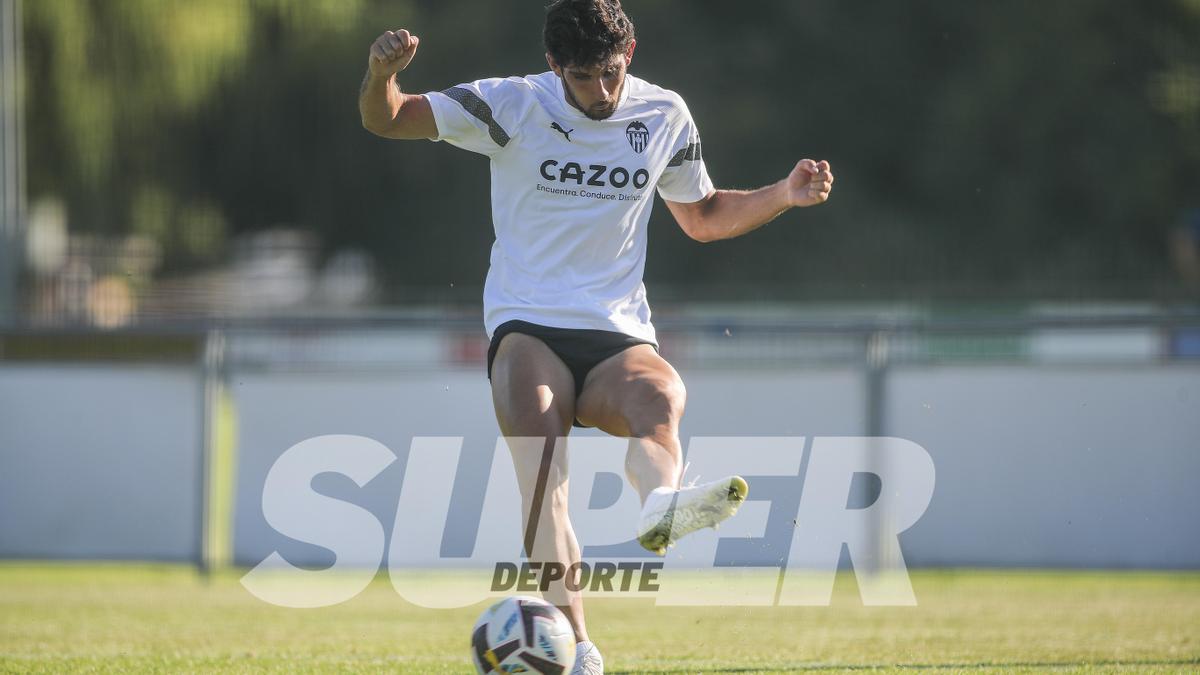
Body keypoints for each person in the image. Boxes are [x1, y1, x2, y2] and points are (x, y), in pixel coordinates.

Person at [359, 1, 833, 672]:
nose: (602, 92)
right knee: (542, 465)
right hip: (528, 323)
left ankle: (661, 503)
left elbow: (700, 216)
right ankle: (578, 649)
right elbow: (388, 116)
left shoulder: (663, 113)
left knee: (661, 398)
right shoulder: (511, 105)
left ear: (630, 52)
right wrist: (380, 75)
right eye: (584, 77)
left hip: (615, 330)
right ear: (556, 66)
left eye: (611, 73)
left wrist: (783, 193)